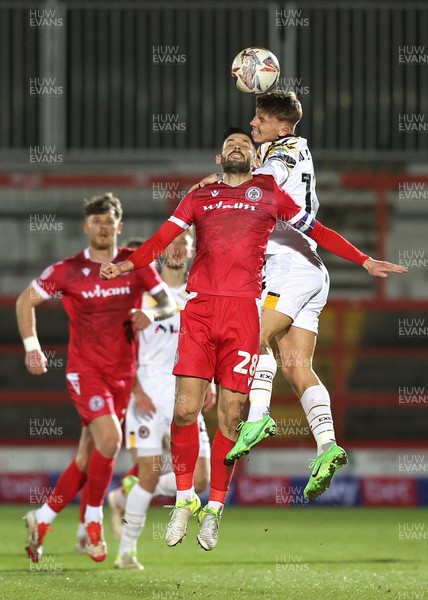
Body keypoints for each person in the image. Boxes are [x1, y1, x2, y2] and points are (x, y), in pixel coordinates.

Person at [100, 130, 405, 550]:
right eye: (231, 144)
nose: (239, 146)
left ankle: (215, 510)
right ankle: (185, 499)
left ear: (254, 155)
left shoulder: (268, 192)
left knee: (230, 418)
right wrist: (125, 266)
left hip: (244, 313)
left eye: (245, 142)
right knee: (186, 409)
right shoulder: (198, 197)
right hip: (201, 310)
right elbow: (158, 242)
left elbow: (316, 229)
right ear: (219, 156)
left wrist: (364, 259)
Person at [191, 92, 386, 499]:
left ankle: (258, 418)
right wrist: (363, 260)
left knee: (249, 337)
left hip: (287, 265)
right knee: (297, 368)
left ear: (281, 126)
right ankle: (327, 445)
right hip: (310, 268)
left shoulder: (284, 152)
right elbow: (308, 220)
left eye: (259, 118)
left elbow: (263, 182)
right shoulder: (288, 151)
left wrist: (222, 182)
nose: (252, 123)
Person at [17, 193, 176, 563]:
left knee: (90, 456)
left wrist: (153, 315)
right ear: (86, 227)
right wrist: (31, 346)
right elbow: (25, 300)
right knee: (111, 439)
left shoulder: (133, 265)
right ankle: (93, 521)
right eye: (97, 221)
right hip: (84, 372)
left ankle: (40, 521)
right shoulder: (68, 269)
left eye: (110, 221)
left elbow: (166, 301)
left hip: (122, 376)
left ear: (119, 227)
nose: (104, 227)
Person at [113, 230, 212, 570]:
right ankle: (127, 551)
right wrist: (135, 390)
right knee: (150, 475)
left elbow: (204, 343)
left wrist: (208, 382)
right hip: (147, 393)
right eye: (174, 242)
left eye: (186, 243)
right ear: (162, 249)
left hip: (185, 391)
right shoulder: (143, 294)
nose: (180, 248)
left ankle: (128, 491)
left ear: (191, 251)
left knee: (200, 480)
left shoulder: (198, 294)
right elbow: (121, 347)